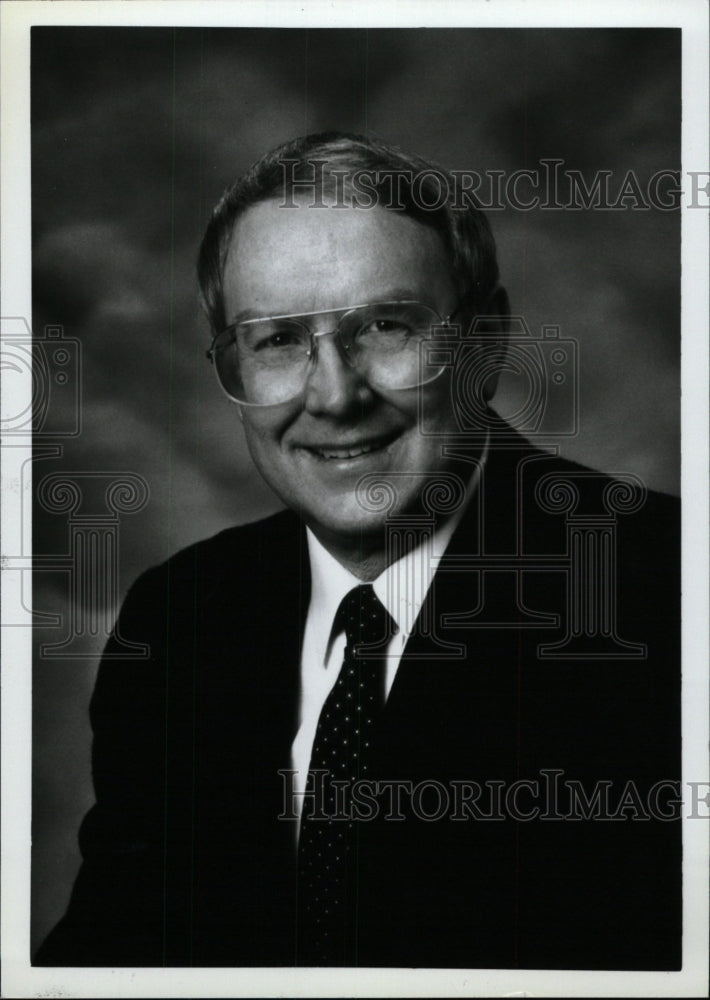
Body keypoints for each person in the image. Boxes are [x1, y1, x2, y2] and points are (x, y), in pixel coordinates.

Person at [35, 132, 681, 970]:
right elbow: (109, 959)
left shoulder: (669, 591)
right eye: (276, 341)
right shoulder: (180, 617)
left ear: (486, 342)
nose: (334, 394)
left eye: (384, 325)